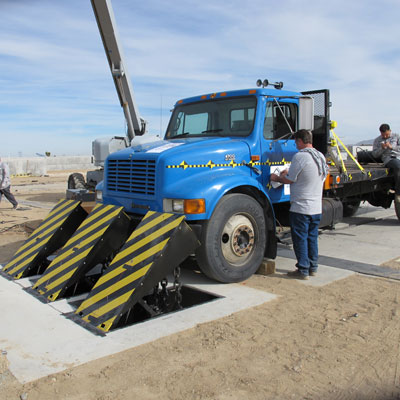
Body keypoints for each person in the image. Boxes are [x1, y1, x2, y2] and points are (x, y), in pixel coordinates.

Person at [270, 129, 328, 280]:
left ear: (301, 141)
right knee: (312, 238)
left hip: (301, 207)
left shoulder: (300, 156)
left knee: (300, 239)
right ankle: (313, 267)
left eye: (296, 141)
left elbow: (289, 180)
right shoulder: (320, 156)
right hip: (316, 207)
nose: (295, 144)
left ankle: (303, 269)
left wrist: (276, 177)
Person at [372, 123, 400, 196]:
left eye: (386, 135)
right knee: (398, 166)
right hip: (389, 159)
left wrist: (391, 147)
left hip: (398, 155)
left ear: (390, 131)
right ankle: (398, 192)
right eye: (383, 135)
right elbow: (374, 154)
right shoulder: (377, 140)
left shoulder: (397, 136)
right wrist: (382, 148)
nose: (385, 136)